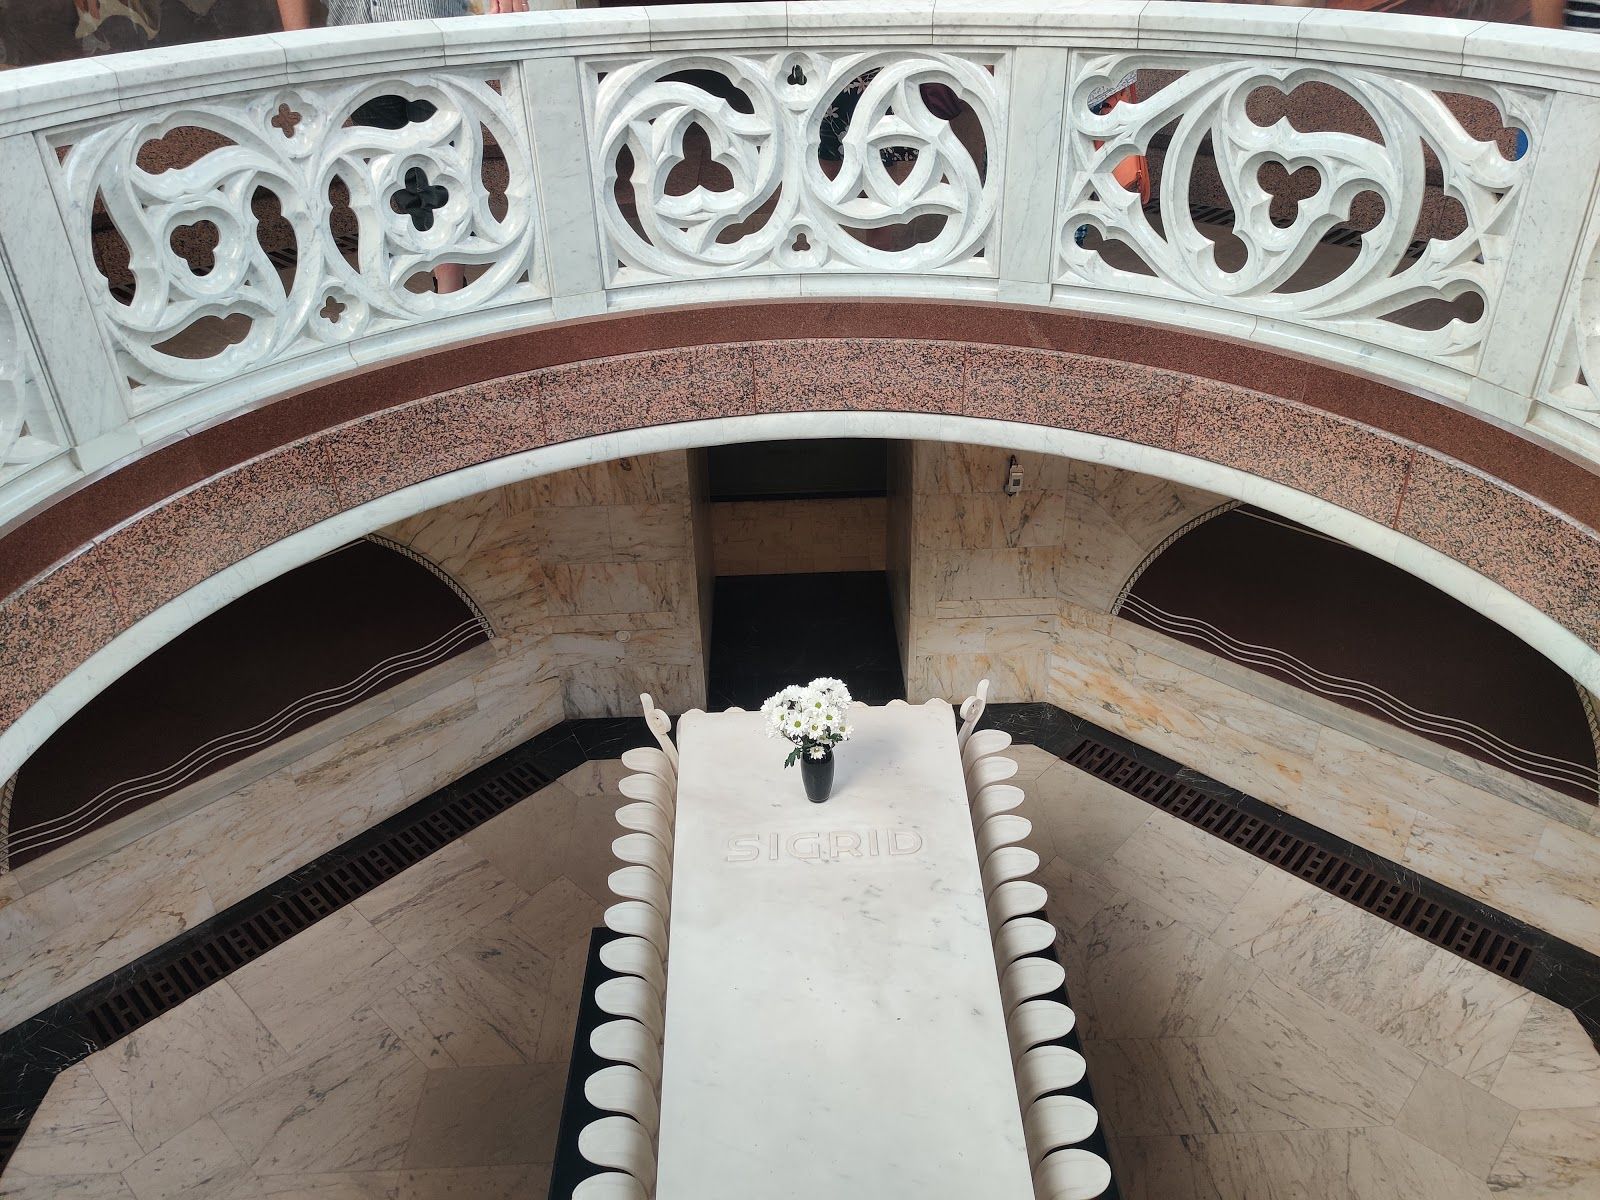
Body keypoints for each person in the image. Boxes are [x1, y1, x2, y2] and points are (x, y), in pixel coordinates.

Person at [275, 0, 529, 291]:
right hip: (355, 42)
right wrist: (297, 45)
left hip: (434, 33)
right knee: (390, 177)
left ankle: (449, 287)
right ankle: (422, 280)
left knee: (443, 168)